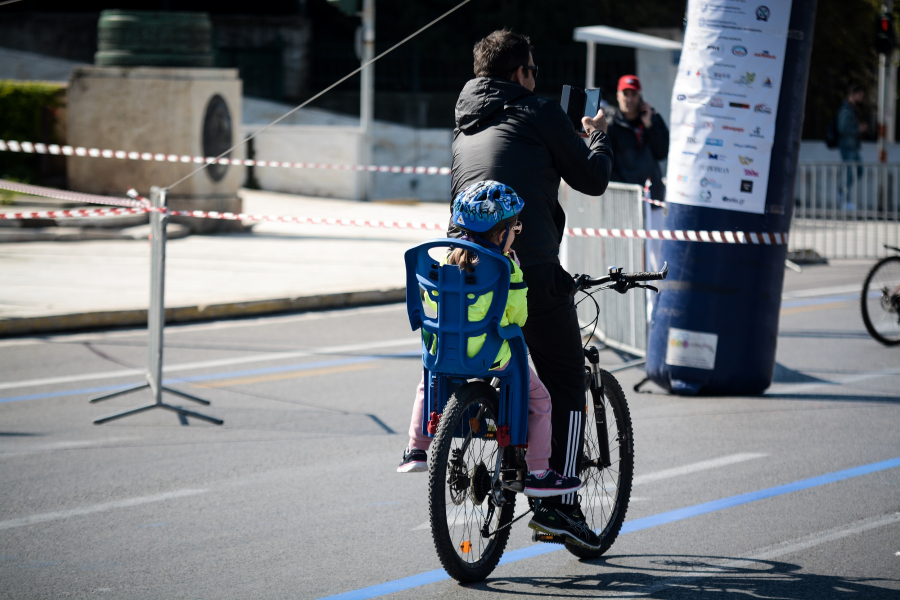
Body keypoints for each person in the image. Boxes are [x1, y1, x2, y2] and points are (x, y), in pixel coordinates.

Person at [447, 29, 613, 549]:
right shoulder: (539, 112)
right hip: (529, 272)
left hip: (466, 275)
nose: (535, 79)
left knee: (505, 361)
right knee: (565, 383)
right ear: (521, 72)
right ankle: (557, 506)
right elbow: (592, 178)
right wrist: (596, 136)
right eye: (533, 70)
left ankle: (487, 431)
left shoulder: (462, 125)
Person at [398, 180, 583, 499]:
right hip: (492, 355)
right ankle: (538, 471)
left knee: (424, 381)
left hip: (445, 352)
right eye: (515, 226)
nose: (517, 231)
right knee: (540, 400)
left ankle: (416, 449)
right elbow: (518, 318)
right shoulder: (506, 267)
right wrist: (518, 275)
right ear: (502, 234)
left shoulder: (447, 261)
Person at [605, 74, 669, 201]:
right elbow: (606, 163)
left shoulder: (653, 118)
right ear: (618, 96)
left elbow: (662, 153)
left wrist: (649, 126)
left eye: (633, 94)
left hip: (652, 195)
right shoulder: (611, 124)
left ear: (640, 96)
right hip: (624, 197)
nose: (629, 99)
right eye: (625, 94)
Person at [838, 84, 867, 208]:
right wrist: (858, 129)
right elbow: (842, 128)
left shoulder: (851, 108)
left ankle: (842, 190)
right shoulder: (846, 109)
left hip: (853, 146)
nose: (861, 98)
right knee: (849, 173)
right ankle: (845, 199)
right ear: (854, 94)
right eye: (860, 95)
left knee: (859, 170)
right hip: (847, 146)